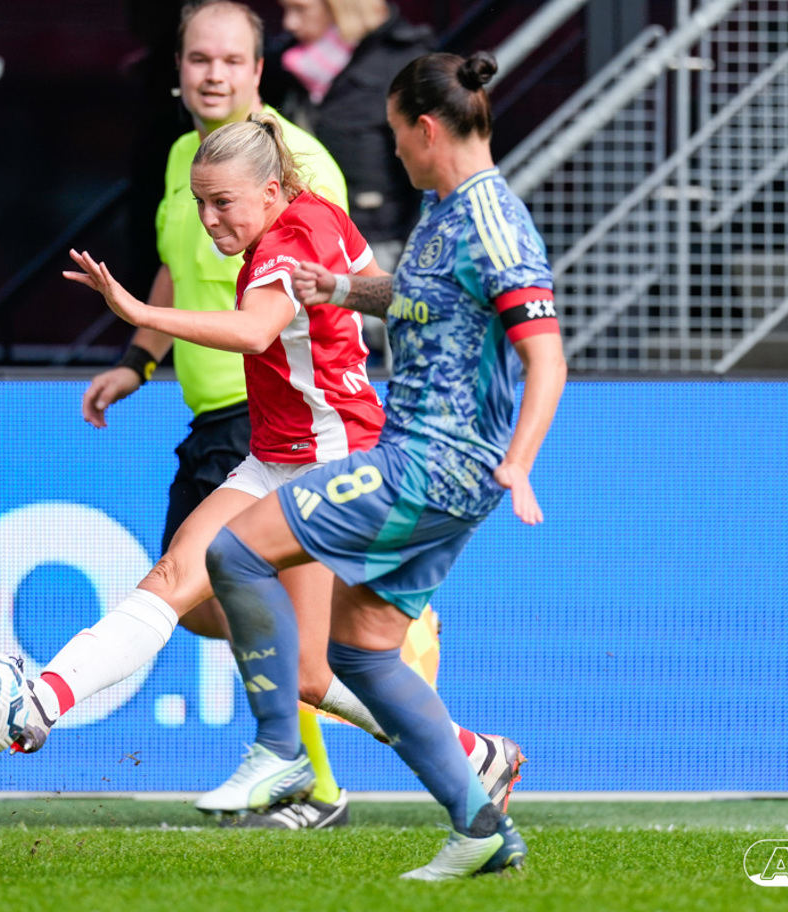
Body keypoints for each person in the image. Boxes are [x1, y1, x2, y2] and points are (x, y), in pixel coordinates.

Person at [19, 0, 522, 828]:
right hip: (274, 450)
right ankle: (41, 701)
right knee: (188, 587)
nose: (210, 221)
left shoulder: (290, 233)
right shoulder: (290, 211)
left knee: (304, 664)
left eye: (223, 205)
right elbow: (371, 284)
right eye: (201, 204)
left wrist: (132, 310)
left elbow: (256, 329)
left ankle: (424, 755)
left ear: (272, 187)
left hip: (333, 461)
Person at [198, 51, 566, 880]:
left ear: (426, 130)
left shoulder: (495, 224)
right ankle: (481, 828)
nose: (392, 150)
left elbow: (545, 357)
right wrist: (337, 289)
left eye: (395, 134)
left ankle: (279, 752)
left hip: (433, 463)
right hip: (431, 460)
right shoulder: (444, 208)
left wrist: (521, 461)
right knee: (362, 652)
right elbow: (418, 300)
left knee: (235, 550)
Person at [265, 0, 434, 369]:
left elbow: (430, 174)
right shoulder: (288, 67)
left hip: (381, 247)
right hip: (310, 245)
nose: (289, 23)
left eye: (300, 9)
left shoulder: (402, 62)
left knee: (380, 367)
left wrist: (414, 262)